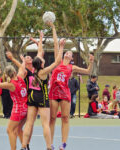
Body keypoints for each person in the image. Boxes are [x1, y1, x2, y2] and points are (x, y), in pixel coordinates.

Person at [48, 22, 94, 150]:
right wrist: (53, 27)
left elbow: (88, 72)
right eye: (66, 52)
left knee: (65, 118)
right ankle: (50, 143)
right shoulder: (58, 61)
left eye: (69, 52)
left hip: (64, 93)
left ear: (71, 57)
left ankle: (63, 144)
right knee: (52, 118)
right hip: (53, 93)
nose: (67, 53)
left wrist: (91, 62)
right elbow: (56, 44)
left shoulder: (71, 67)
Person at [20, 31, 65, 150]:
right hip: (42, 98)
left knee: (29, 123)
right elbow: (57, 62)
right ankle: (49, 147)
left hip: (32, 98)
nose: (43, 58)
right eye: (42, 59)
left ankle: (24, 146)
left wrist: (40, 39)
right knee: (45, 124)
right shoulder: (43, 72)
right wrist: (61, 47)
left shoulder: (33, 70)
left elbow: (39, 52)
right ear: (41, 63)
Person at [0, 57, 28, 150]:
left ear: (7, 75)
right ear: (15, 72)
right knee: (18, 129)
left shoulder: (10, 84)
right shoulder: (20, 77)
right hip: (26, 108)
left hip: (18, 110)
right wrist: (22, 61)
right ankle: (25, 146)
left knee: (10, 130)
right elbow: (23, 68)